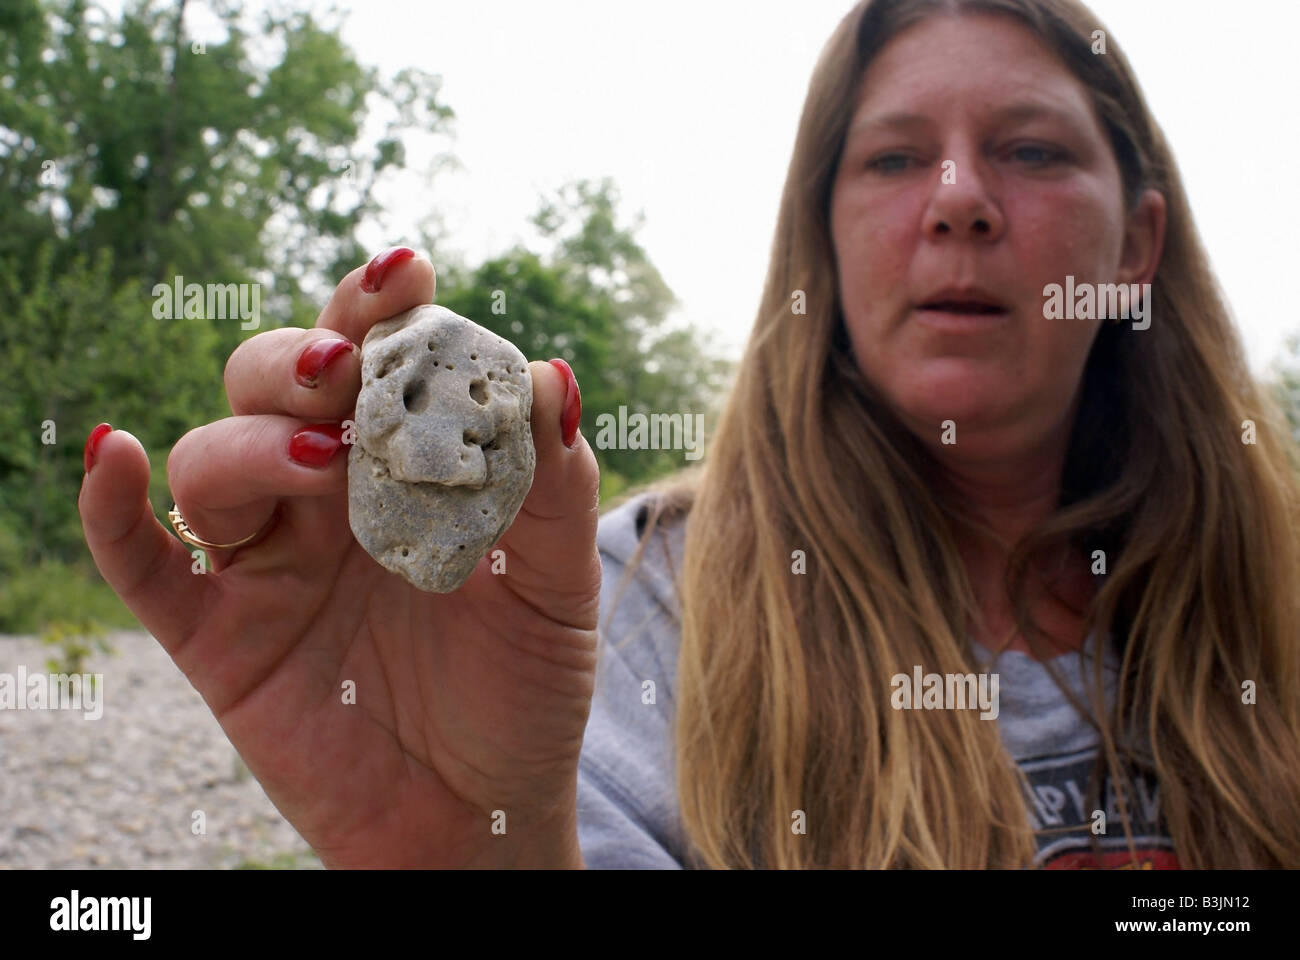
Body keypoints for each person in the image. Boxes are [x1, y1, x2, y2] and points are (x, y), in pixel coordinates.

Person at [79, 0, 1300, 870]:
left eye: (1029, 150)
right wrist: (466, 853)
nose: (959, 199)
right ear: (818, 240)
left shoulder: (1281, 602)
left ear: (1135, 245)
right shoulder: (628, 607)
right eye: (892, 157)